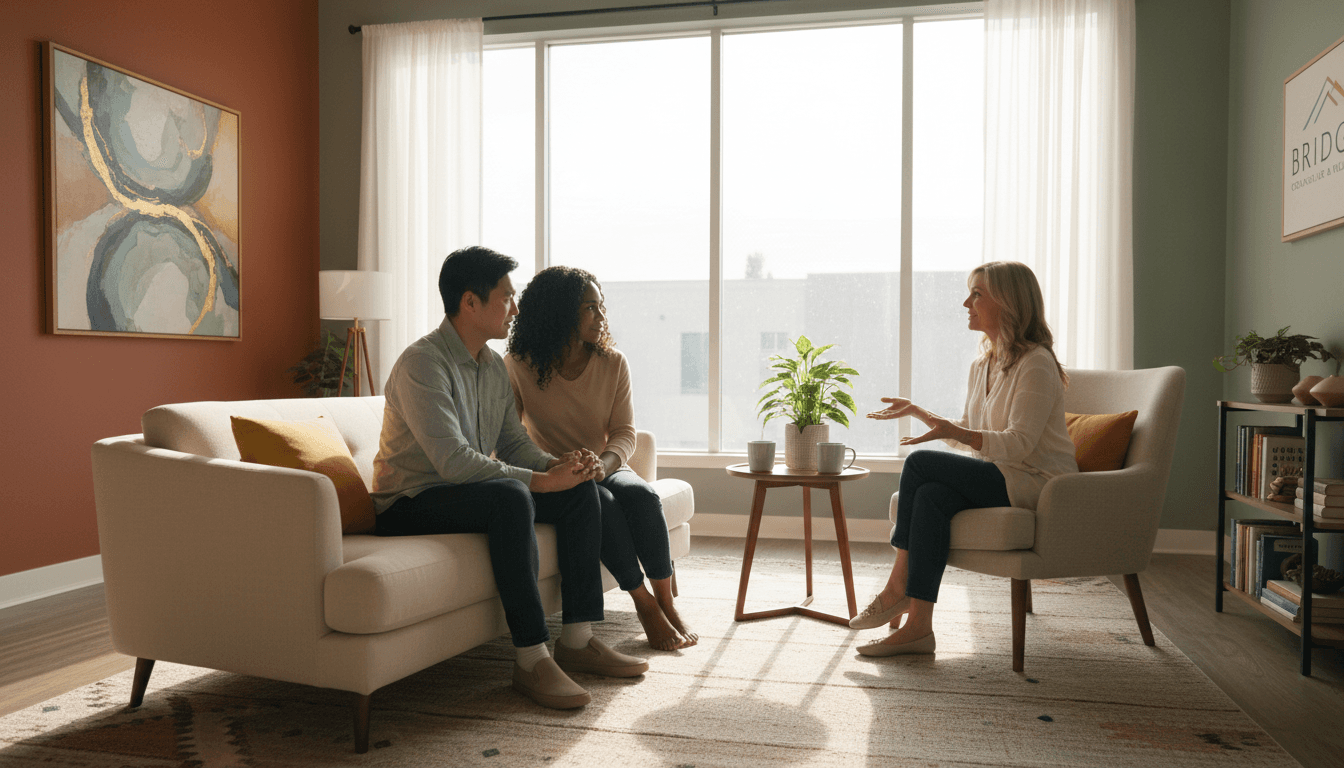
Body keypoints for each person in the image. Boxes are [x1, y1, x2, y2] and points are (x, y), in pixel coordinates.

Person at [371, 246, 650, 710]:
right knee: (510, 498)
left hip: (467, 492)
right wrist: (540, 482)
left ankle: (577, 641)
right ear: (470, 303)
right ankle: (530, 658)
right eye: (506, 296)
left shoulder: (491, 366)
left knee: (583, 491)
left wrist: (560, 468)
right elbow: (454, 462)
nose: (516, 308)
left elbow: (514, 443)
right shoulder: (423, 364)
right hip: (411, 501)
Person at [850, 261, 1078, 656]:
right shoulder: (982, 364)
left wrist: (951, 431)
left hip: (1034, 482)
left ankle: (896, 587)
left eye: (977, 294)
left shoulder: (1037, 363)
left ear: (1007, 302)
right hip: (996, 475)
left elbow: (1019, 444)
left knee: (920, 464)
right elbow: (975, 436)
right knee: (931, 496)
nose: (966, 303)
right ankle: (919, 628)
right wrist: (924, 414)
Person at [505, 266, 697, 652]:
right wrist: (558, 467)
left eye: (601, 306)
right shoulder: (518, 364)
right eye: (590, 308)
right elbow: (510, 435)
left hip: (606, 465)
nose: (601, 315)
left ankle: (667, 602)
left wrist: (603, 464)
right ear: (560, 313)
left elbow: (625, 432)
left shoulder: (613, 362)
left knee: (642, 497)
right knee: (602, 503)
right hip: (555, 473)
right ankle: (644, 605)